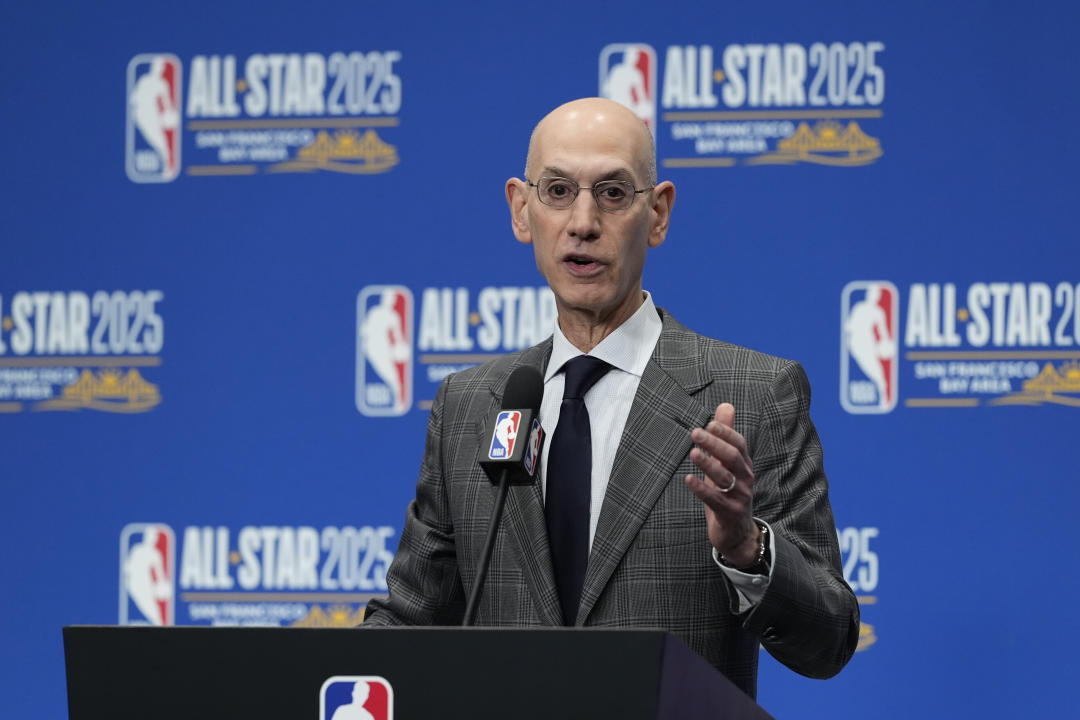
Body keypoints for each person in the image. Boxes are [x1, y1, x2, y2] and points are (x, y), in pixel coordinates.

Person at [364, 97, 859, 698]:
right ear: (522, 211)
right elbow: (408, 623)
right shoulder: (471, 406)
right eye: (557, 191)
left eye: (613, 193)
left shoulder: (754, 394)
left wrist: (748, 549)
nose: (582, 222)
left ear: (658, 213)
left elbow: (830, 640)